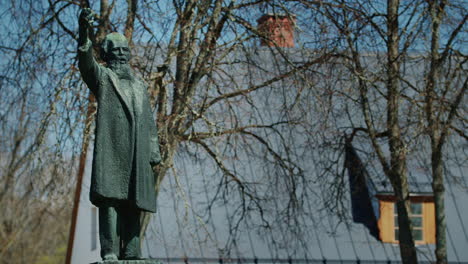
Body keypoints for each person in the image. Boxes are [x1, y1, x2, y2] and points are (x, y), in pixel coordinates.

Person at [77, 8, 161, 261]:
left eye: (125, 51)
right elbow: (85, 62)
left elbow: (148, 120)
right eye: (116, 51)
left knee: (135, 203)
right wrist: (84, 32)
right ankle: (110, 251)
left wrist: (153, 150)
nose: (121, 55)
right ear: (107, 54)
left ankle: (132, 251)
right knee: (110, 202)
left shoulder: (138, 85)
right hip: (112, 150)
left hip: (137, 151)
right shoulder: (103, 77)